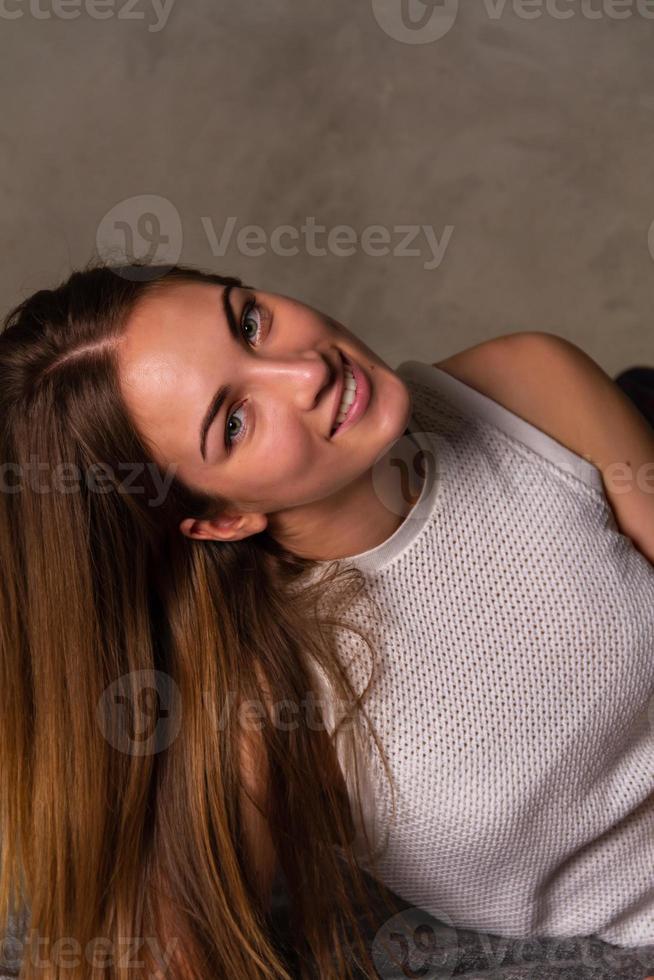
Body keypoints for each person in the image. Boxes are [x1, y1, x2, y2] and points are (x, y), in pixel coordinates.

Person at [1, 260, 653, 980]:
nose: (304, 372)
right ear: (222, 518)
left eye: (249, 322)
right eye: (235, 421)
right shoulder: (262, 700)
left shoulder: (529, 384)